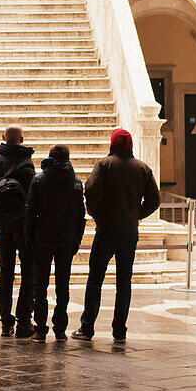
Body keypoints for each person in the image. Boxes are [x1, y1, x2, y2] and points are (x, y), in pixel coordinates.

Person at [72, 128, 160, 344]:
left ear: (112, 143)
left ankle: (87, 327)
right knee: (124, 282)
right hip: (129, 233)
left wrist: (97, 214)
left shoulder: (104, 165)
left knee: (95, 279)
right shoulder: (143, 168)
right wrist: (135, 215)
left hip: (106, 231)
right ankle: (119, 331)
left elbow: (90, 191)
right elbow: (154, 200)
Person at [0, 125, 36, 337]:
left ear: (3, 137)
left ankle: (5, 323)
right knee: (28, 273)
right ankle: (24, 322)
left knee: (6, 274)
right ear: (22, 139)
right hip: (23, 227)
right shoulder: (26, 164)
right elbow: (33, 199)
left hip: (2, 226)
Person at [25, 144, 86, 342]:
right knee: (63, 285)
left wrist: (29, 239)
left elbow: (30, 212)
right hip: (66, 239)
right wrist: (76, 239)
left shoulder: (39, 179)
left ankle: (41, 330)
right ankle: (60, 329)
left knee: (40, 285)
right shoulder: (75, 182)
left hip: (42, 238)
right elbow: (80, 215)